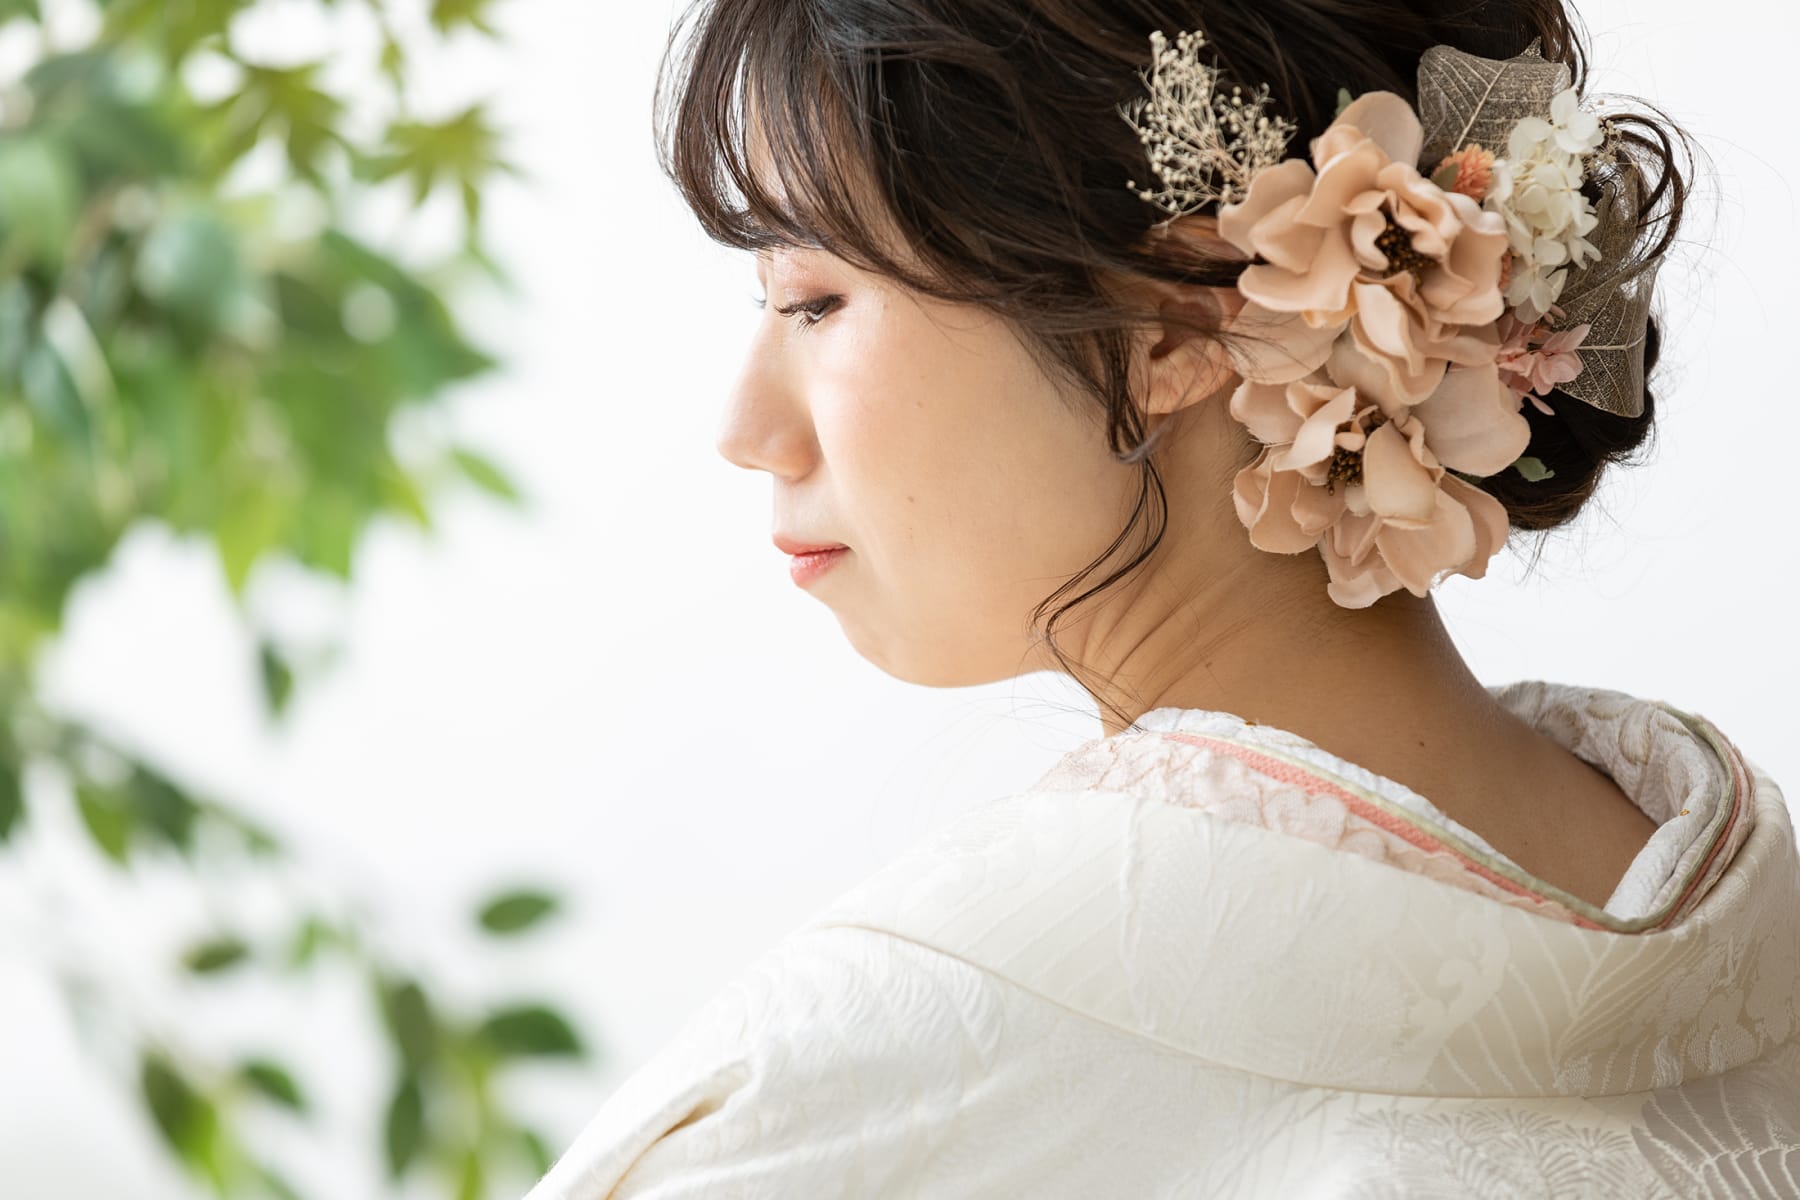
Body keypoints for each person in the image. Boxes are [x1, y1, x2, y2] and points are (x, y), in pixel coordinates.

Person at [526, 0, 1800, 1195]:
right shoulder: (1741, 921)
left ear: (1175, 332)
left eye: (815, 301)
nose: (743, 427)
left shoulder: (868, 1081)